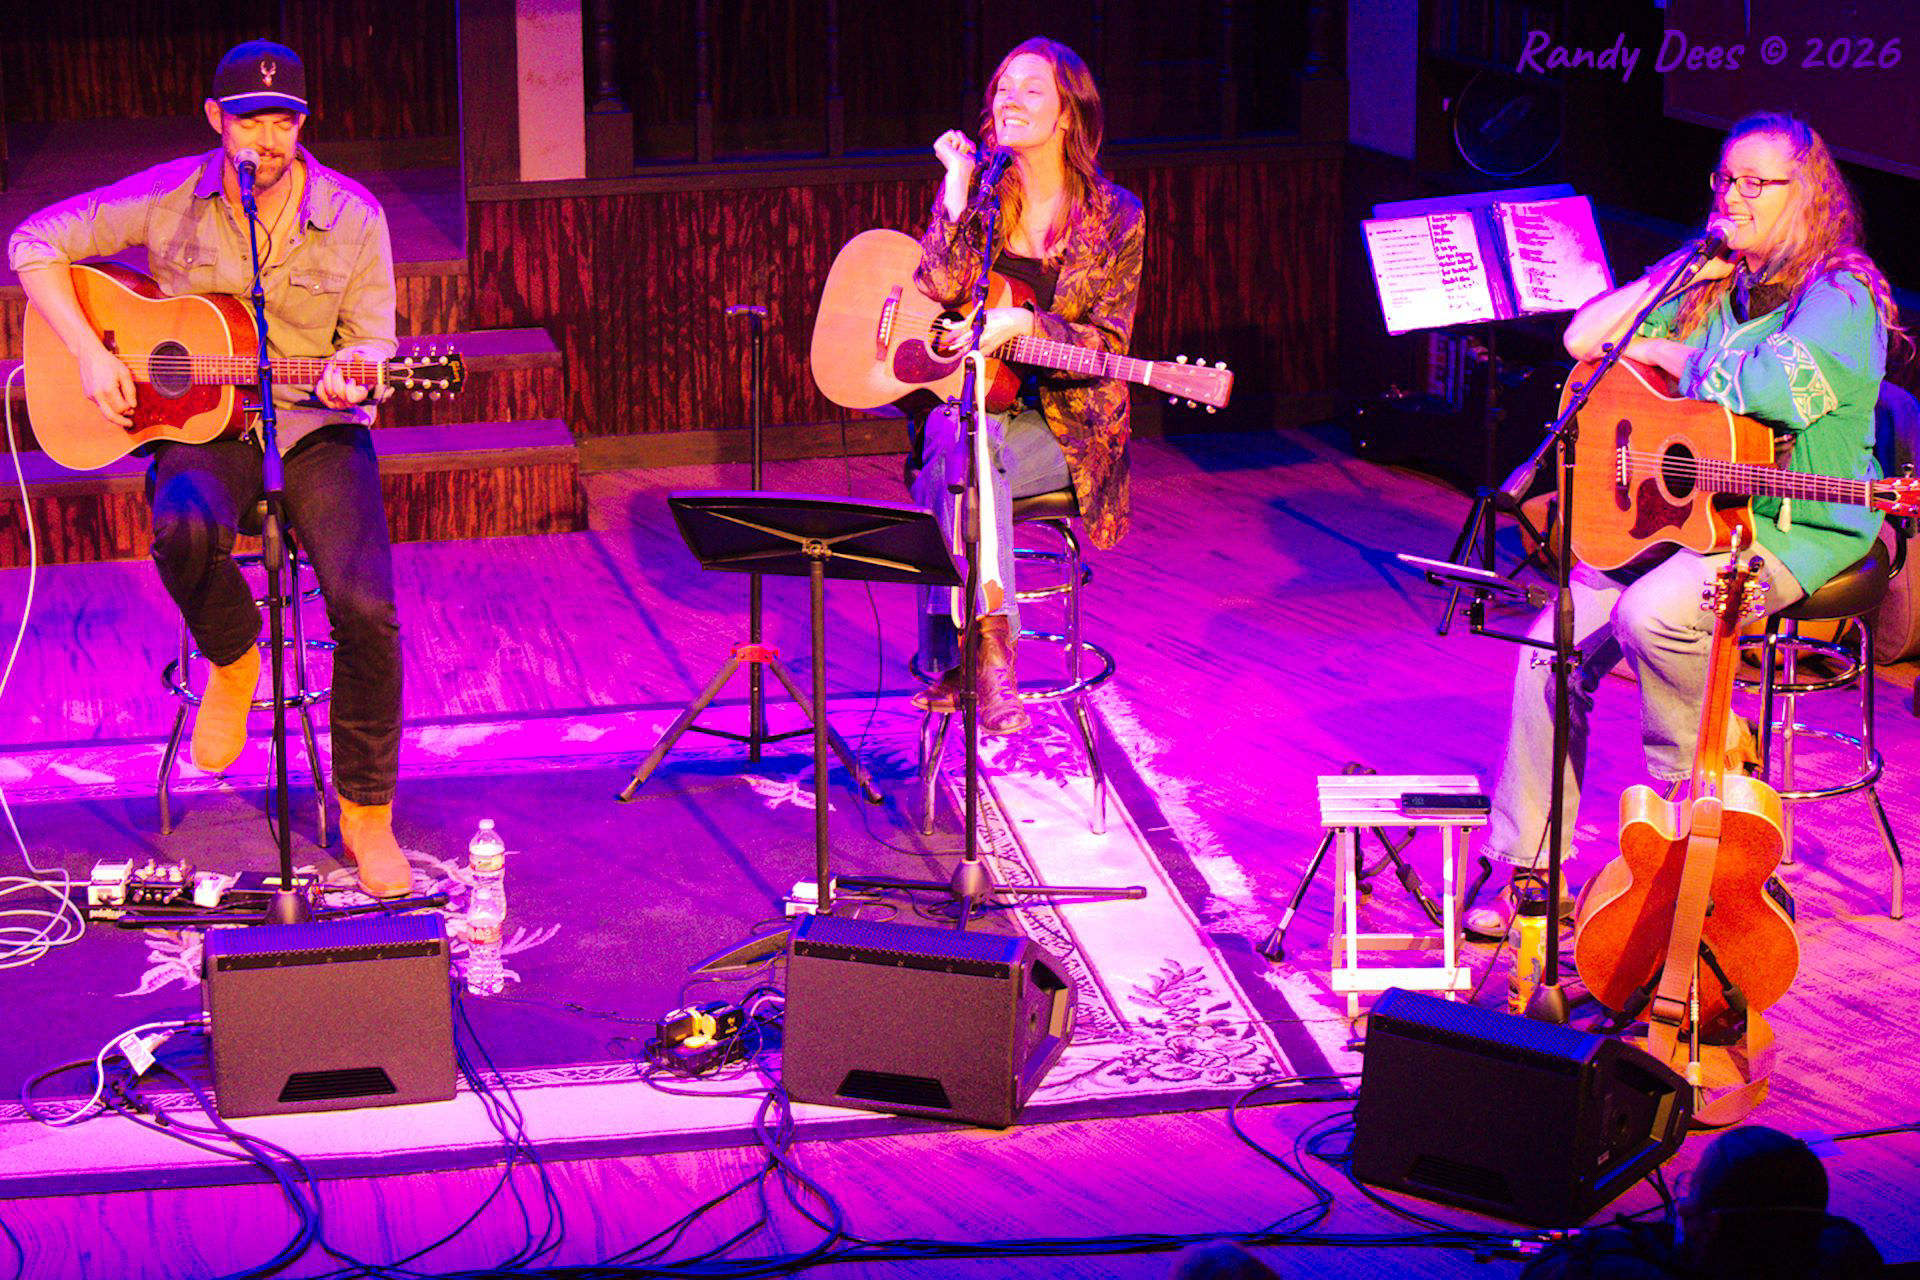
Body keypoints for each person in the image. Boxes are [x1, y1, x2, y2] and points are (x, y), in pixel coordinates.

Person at [1469, 111, 1903, 936]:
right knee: (1545, 645)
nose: (1732, 197)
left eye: (1753, 184)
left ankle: (1692, 805)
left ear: (1804, 195)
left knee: (1655, 612)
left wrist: (1678, 359)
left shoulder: (1840, 294)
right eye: (1724, 179)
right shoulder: (1715, 282)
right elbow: (1583, 338)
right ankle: (1530, 869)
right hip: (1693, 518)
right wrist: (1680, 268)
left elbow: (1771, 389)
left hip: (1796, 525)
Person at [7, 40, 410, 898]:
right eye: (250, 119)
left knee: (367, 607)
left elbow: (375, 339)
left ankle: (365, 813)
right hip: (202, 426)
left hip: (312, 424)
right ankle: (234, 653)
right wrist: (87, 352)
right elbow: (33, 241)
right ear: (215, 119)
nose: (268, 136)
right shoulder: (169, 195)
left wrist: (356, 371)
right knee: (182, 521)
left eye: (285, 120)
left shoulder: (353, 215)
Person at [908, 37, 1145, 733]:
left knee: (964, 467)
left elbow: (1108, 345)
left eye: (1030, 89)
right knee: (966, 445)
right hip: (978, 404)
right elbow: (937, 294)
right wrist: (953, 189)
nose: (1008, 99)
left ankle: (958, 651)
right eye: (1002, 88)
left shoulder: (1116, 215)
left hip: (1071, 428)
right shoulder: (982, 195)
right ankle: (993, 655)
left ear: (1068, 113)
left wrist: (1020, 321)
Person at [1519, 1125, 1883, 1278]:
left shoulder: (1607, 1268)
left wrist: (1662, 1241)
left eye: (1691, 1191)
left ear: (1712, 1223)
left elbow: (1549, 1268)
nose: (1680, 1205)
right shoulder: (1851, 1256)